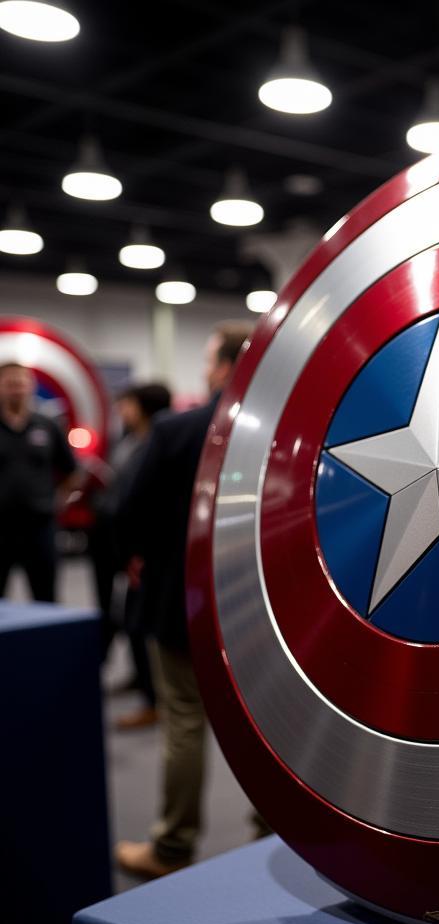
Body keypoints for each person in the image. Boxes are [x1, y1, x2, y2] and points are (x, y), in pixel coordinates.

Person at [114, 322, 251, 878]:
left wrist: (141, 555)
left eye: (209, 360)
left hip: (182, 603)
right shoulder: (283, 433)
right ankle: (274, 838)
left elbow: (130, 514)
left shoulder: (178, 430)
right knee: (266, 727)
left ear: (222, 366)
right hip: (259, 611)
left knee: (184, 721)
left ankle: (172, 847)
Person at [91, 383, 172, 730]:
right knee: (123, 612)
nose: (122, 410)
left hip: (140, 550)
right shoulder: (128, 440)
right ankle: (141, 680)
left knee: (138, 618)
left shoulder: (158, 442)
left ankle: (152, 698)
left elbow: (143, 500)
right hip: (114, 541)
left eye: (127, 404)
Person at [0, 362, 76, 602]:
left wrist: (58, 500)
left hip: (39, 527)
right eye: (10, 383)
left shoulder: (48, 425)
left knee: (46, 598)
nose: (16, 388)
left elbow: (72, 471)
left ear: (31, 386)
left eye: (21, 382)